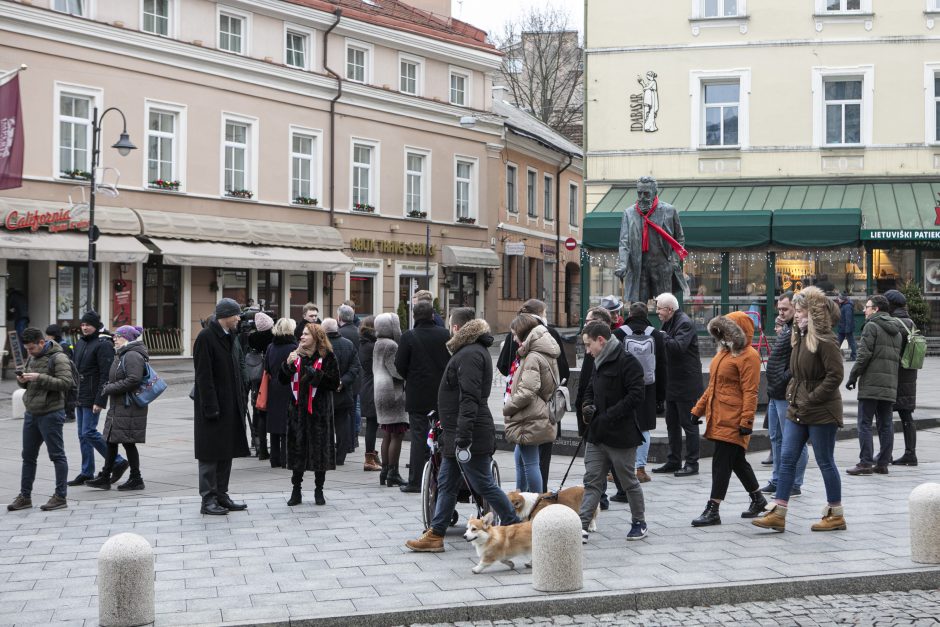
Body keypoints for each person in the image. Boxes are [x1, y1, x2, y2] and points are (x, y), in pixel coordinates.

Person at [406, 308, 522, 553]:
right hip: (456, 433)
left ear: (456, 328)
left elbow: (469, 398)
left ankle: (516, 528)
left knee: (483, 484)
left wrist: (463, 436)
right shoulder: (469, 351)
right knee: (447, 483)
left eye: (450, 325)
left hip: (468, 434)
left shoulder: (469, 354)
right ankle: (436, 534)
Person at [753, 287, 846, 533]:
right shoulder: (799, 338)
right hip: (799, 407)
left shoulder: (825, 340)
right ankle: (778, 511)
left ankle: (835, 513)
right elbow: (796, 374)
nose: (797, 315)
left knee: (825, 461)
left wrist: (812, 397)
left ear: (813, 313)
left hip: (821, 409)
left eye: (802, 311)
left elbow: (835, 375)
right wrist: (794, 397)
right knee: (786, 458)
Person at [689, 312, 766, 527]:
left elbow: (751, 391)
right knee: (737, 461)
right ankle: (758, 499)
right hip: (720, 415)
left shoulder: (748, 355)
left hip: (733, 418)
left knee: (721, 462)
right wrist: (698, 410)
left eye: (728, 330)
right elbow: (713, 387)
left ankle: (713, 508)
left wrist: (746, 422)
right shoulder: (724, 352)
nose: (723, 335)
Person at [579, 321, 648, 542]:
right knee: (592, 481)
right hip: (597, 434)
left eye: (589, 345)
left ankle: (639, 522)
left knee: (628, 481)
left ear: (601, 340)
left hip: (621, 436)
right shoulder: (597, 360)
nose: (587, 351)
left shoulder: (628, 362)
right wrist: (587, 407)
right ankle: (581, 525)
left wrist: (608, 417)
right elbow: (590, 389)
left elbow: (636, 396)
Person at [496, 299, 570, 490]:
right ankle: (522, 499)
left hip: (530, 413)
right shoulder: (538, 347)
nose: (512, 339)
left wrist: (508, 406)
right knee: (522, 459)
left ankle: (533, 503)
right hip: (534, 411)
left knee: (529, 462)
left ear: (522, 334)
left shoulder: (532, 356)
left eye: (514, 335)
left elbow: (528, 390)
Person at [193, 298, 251, 515]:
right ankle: (208, 499)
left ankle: (221, 495)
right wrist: (211, 407)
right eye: (236, 315)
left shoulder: (231, 337)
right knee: (210, 455)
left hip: (230, 405)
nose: (239, 318)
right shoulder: (206, 338)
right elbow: (203, 377)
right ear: (226, 315)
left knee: (226, 452)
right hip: (213, 408)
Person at [7, 327, 72, 512]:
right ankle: (25, 497)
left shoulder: (58, 357)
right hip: (32, 412)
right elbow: (27, 384)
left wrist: (39, 377)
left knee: (57, 455)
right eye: (27, 349)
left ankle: (60, 496)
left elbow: (66, 383)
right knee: (28, 456)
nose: (29, 352)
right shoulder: (32, 357)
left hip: (51, 412)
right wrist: (23, 378)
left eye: (32, 348)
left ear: (42, 343)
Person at [278, 322, 341, 506]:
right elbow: (281, 380)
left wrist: (317, 375)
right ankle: (296, 490)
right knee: (298, 452)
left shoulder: (328, 357)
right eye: (302, 334)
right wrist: (287, 365)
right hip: (297, 411)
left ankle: (319, 490)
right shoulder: (295, 354)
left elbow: (334, 383)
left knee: (319, 452)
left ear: (316, 337)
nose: (302, 337)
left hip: (319, 412)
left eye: (306, 334)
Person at [84, 325, 149, 491]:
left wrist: (110, 388)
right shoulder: (122, 354)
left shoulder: (133, 354)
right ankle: (105, 477)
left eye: (118, 336)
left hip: (129, 406)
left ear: (127, 338)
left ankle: (136, 478)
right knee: (111, 440)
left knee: (128, 442)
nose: (115, 338)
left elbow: (134, 379)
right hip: (120, 405)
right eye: (115, 336)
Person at [396, 300, 450, 492]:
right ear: (432, 315)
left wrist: (412, 376)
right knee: (443, 436)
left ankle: (416, 481)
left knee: (419, 438)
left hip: (417, 394)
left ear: (414, 316)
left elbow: (399, 365)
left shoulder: (408, 336)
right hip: (442, 395)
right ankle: (443, 479)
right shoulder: (445, 334)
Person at [68, 311, 126, 488]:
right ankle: (87, 472)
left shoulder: (103, 344)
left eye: (88, 325)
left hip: (93, 395)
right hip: (80, 394)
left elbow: (105, 375)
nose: (84, 327)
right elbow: (75, 371)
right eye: (83, 324)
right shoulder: (80, 343)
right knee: (82, 435)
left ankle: (117, 461)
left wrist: (100, 400)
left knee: (88, 432)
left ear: (95, 326)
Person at [845, 295, 902, 476]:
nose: (864, 310)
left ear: (876, 309)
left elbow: (863, 356)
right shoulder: (897, 330)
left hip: (871, 384)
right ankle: (883, 463)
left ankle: (865, 463)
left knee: (865, 423)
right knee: (886, 424)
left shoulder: (871, 326)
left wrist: (853, 377)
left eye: (867, 307)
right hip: (890, 384)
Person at [761, 292, 809, 498]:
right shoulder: (787, 329)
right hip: (774, 392)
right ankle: (778, 479)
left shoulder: (800, 331)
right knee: (776, 438)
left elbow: (799, 362)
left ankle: (795, 483)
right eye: (779, 309)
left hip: (785, 392)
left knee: (793, 440)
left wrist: (782, 378)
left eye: (786, 309)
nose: (781, 313)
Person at [614, 176, 688, 304]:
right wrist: (622, 265)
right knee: (637, 307)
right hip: (639, 267)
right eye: (639, 193)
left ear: (655, 193)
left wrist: (673, 262)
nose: (642, 197)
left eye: (646, 194)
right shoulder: (629, 213)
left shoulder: (669, 210)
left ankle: (667, 325)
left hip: (662, 266)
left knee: (665, 306)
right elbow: (624, 242)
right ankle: (639, 324)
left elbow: (679, 239)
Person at [652, 292, 703, 477]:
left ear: (670, 309)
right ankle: (673, 461)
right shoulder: (669, 321)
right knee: (671, 423)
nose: (657, 312)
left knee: (689, 424)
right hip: (672, 381)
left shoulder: (684, 323)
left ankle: (692, 463)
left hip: (686, 383)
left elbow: (678, 347)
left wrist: (661, 336)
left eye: (659, 309)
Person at [621, 302, 666, 484]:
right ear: (647, 314)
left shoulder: (619, 334)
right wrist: (661, 396)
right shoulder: (655, 335)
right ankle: (640, 469)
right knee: (644, 428)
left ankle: (621, 469)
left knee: (623, 427)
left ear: (630, 314)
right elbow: (663, 367)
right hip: (648, 387)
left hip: (624, 389)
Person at [372, 313, 408, 486]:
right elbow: (396, 372)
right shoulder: (392, 345)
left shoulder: (378, 343)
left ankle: (385, 471)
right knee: (397, 434)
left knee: (387, 433)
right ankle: (393, 472)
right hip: (392, 392)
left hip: (380, 391)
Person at [884, 290, 919, 466]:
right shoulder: (911, 322)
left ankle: (886, 454)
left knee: (886, 415)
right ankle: (910, 453)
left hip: (894, 375)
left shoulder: (894, 324)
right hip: (909, 375)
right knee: (907, 416)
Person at [321, 318, 361, 466]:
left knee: (325, 424)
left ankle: (327, 454)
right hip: (343, 392)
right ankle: (340, 457)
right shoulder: (348, 344)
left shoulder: (321, 346)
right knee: (342, 423)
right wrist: (342, 382)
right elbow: (355, 368)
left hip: (324, 393)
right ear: (337, 328)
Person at [264, 318, 297, 468]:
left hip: (274, 387)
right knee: (287, 424)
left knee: (275, 424)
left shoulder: (271, 347)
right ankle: (286, 459)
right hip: (289, 387)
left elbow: (267, 368)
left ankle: (274, 459)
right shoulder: (294, 347)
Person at [248, 312, 274, 461]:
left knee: (258, 410)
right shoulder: (273, 338)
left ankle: (258, 444)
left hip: (257, 379)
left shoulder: (252, 338)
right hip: (269, 378)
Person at [358, 316, 382, 472]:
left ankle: (372, 454)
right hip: (374, 386)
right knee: (373, 425)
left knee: (373, 424)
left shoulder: (364, 343)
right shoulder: (373, 345)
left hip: (367, 386)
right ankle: (369, 459)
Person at [337, 304, 361, 455]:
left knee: (342, 414)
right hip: (356, 377)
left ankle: (344, 444)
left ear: (339, 318)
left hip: (342, 379)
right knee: (352, 411)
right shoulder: (359, 332)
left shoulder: (340, 333)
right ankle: (352, 442)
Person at [837, 294, 857, 361]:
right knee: (838, 343)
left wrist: (847, 329)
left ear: (843, 299)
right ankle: (835, 356)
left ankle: (854, 356)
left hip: (846, 328)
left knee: (851, 342)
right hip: (843, 328)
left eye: (839, 298)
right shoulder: (844, 305)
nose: (838, 299)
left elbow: (848, 318)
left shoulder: (847, 306)